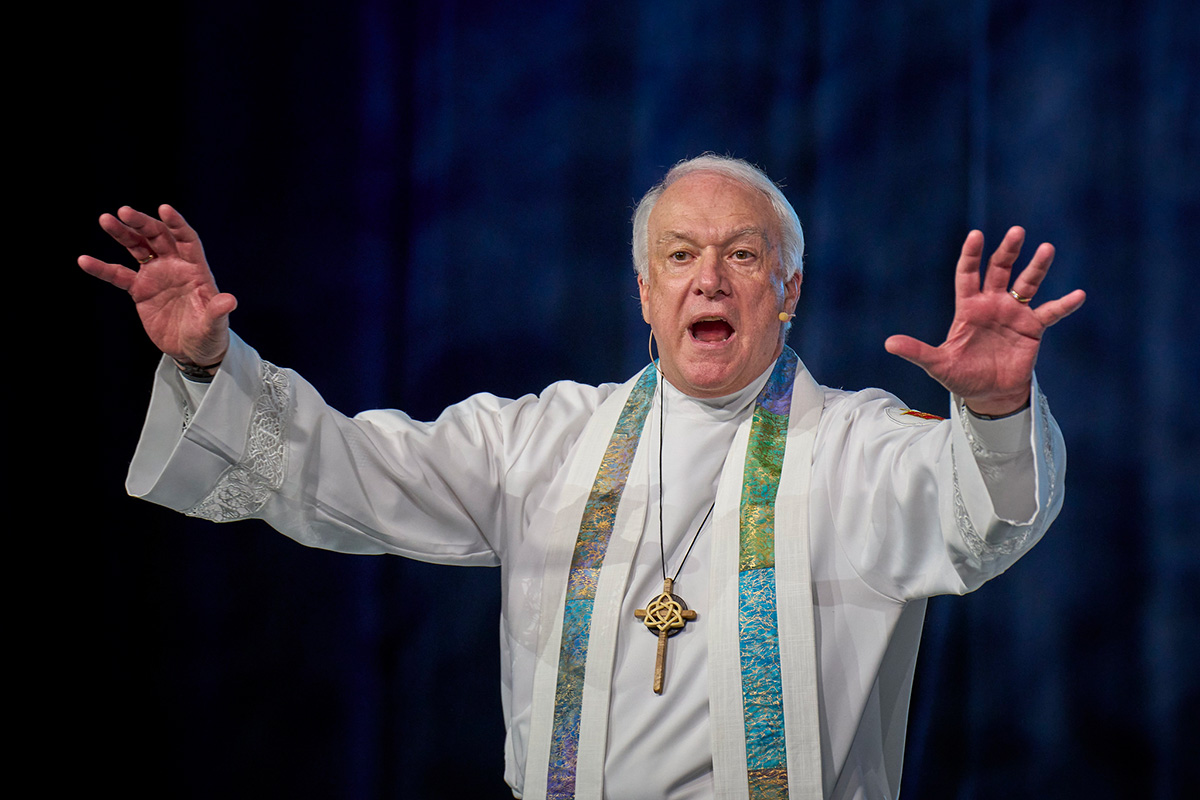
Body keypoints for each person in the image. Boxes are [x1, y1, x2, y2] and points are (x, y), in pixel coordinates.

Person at [79, 155, 1086, 800]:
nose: (710, 277)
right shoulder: (544, 440)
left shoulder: (862, 446)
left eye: (743, 254)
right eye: (680, 254)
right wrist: (215, 363)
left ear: (789, 292)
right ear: (644, 292)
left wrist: (993, 409)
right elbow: (345, 471)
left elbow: (979, 519)